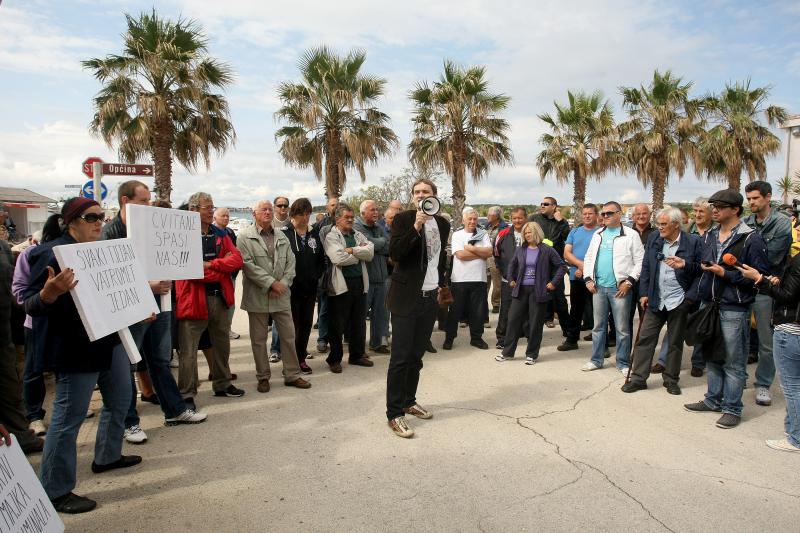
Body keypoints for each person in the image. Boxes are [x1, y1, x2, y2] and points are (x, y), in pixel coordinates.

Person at [24, 198, 141, 514]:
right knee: (67, 420)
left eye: (101, 216)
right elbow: (29, 304)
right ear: (71, 221)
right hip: (74, 349)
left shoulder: (101, 250)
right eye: (91, 217)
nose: (99, 222)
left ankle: (107, 456)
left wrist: (138, 307)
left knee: (121, 399)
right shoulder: (50, 254)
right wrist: (49, 293)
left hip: (109, 340)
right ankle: (55, 490)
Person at [103, 181, 207, 444]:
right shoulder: (111, 233)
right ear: (125, 201)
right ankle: (129, 423)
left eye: (149, 200)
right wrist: (148, 287)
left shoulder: (150, 226)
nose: (148, 205)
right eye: (143, 201)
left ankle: (174, 410)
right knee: (127, 365)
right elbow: (111, 276)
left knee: (160, 360)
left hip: (159, 305)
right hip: (132, 309)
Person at [683, 189, 770, 429]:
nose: (715, 210)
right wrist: (686, 265)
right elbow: (703, 267)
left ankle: (732, 408)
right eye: (713, 206)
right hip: (709, 304)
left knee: (733, 361)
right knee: (712, 355)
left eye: (720, 206)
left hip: (734, 308)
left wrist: (725, 273)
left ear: (735, 210)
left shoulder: (751, 238)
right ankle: (713, 400)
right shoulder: (710, 235)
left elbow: (759, 278)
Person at [385, 178, 450, 438]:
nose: (421, 195)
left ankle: (409, 401)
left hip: (429, 297)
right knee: (400, 358)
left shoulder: (443, 223)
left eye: (426, 191)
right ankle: (394, 413)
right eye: (417, 192)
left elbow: (440, 256)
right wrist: (416, 226)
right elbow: (396, 254)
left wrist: (442, 284)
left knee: (416, 357)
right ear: (413, 197)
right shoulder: (403, 220)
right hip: (405, 297)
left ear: (434, 195)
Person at [622, 207, 702, 395]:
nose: (660, 227)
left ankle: (671, 379)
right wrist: (643, 293)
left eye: (664, 224)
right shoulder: (654, 239)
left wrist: (689, 299)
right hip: (655, 299)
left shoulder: (693, 242)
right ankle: (638, 379)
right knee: (645, 339)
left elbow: (701, 272)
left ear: (676, 225)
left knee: (675, 343)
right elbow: (646, 266)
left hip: (679, 301)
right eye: (658, 224)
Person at [176, 192, 245, 409]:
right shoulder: (182, 235)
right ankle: (186, 394)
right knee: (188, 350)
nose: (211, 211)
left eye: (212, 207)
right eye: (207, 208)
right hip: (193, 300)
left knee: (221, 344)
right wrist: (221, 268)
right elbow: (188, 270)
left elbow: (237, 259)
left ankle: (222, 384)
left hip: (219, 299)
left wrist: (211, 265)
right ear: (193, 210)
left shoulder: (220, 233)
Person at [237, 200, 311, 392]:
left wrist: (283, 283)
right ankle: (263, 377)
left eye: (270, 209)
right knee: (259, 340)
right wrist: (271, 283)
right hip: (257, 296)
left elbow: (291, 263)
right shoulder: (244, 236)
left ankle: (292, 375)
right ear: (254, 214)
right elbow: (247, 265)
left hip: (281, 295)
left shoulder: (281, 235)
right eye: (264, 209)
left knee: (288, 336)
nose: (268, 212)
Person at [736, 253, 800, 451]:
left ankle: (796, 438)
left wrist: (759, 279)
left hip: (791, 331)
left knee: (792, 387)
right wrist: (779, 283)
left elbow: (789, 297)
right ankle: (792, 431)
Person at [743, 181, 793, 407]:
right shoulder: (747, 222)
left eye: (755, 198)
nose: (751, 202)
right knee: (741, 337)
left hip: (766, 289)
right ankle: (738, 377)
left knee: (766, 341)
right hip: (745, 287)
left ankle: (763, 384)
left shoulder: (781, 223)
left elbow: (771, 258)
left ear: (768, 197)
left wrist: (748, 264)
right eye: (749, 198)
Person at [581, 201, 644, 374]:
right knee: (598, 327)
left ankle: (623, 363)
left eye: (609, 213)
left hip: (620, 289)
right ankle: (596, 360)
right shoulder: (598, 234)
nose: (605, 216)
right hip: (598, 288)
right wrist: (588, 279)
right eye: (603, 213)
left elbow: (640, 261)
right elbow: (588, 258)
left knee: (622, 329)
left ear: (619, 214)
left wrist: (629, 282)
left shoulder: (631, 235)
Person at [495, 222, 566, 365]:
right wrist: (511, 279)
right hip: (520, 290)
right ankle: (507, 353)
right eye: (525, 233)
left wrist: (553, 283)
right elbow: (512, 265)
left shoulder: (547, 250)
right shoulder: (521, 250)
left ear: (537, 232)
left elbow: (562, 266)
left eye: (530, 232)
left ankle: (532, 354)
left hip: (538, 291)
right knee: (513, 320)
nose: (527, 235)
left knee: (535, 324)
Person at [1, 237, 44, 454]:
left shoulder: (2, 248)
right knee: (29, 373)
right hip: (20, 327)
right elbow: (18, 291)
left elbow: (11, 290)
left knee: (11, 389)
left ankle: (22, 436)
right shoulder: (27, 253)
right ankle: (32, 418)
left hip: (5, 335)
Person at [323, 203, 375, 372]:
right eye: (347, 217)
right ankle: (334, 359)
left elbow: (370, 253)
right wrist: (359, 255)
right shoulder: (331, 236)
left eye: (352, 217)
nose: (351, 220)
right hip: (341, 285)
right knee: (337, 324)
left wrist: (351, 250)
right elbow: (338, 259)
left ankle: (357, 355)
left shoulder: (357, 234)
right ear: (337, 219)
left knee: (358, 322)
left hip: (359, 283)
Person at [284, 198, 325, 374]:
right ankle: (290, 361)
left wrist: (316, 275)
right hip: (291, 289)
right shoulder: (284, 234)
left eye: (308, 213)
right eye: (301, 214)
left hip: (310, 288)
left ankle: (301, 358)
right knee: (292, 327)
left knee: (306, 324)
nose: (306, 217)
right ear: (293, 214)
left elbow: (321, 259)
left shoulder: (314, 233)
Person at [444, 208, 492, 350]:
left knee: (478, 311)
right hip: (460, 279)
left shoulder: (483, 234)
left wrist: (471, 249)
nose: (472, 221)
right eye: (469, 219)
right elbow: (460, 255)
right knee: (455, 311)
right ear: (463, 220)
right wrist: (480, 253)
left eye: (474, 219)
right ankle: (449, 338)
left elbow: (489, 252)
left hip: (479, 279)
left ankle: (476, 338)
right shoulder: (457, 235)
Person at [530, 197, 571, 336]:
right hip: (538, 263)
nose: (542, 206)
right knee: (540, 295)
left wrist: (561, 221)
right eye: (541, 203)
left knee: (559, 298)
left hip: (556, 265)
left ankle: (568, 330)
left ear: (554, 206)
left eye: (546, 204)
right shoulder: (535, 218)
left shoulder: (561, 221)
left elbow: (568, 237)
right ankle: (547, 319)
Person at [561, 203, 600, 351]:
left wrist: (585, 269)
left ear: (596, 215)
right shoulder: (575, 232)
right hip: (576, 277)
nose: (587, 216)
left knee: (599, 311)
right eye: (585, 214)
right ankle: (572, 340)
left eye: (590, 213)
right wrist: (581, 266)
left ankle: (600, 343)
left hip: (597, 278)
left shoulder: (601, 232)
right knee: (576, 310)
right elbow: (567, 253)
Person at [354, 200, 391, 354]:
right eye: (372, 210)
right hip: (365, 279)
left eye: (377, 209)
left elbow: (388, 247)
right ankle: (357, 348)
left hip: (381, 278)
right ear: (363, 213)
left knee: (380, 314)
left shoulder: (379, 227)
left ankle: (377, 344)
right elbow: (366, 248)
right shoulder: (357, 227)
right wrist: (378, 244)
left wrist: (375, 245)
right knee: (359, 316)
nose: (376, 212)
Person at [493, 207, 527, 349]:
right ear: (511, 219)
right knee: (506, 310)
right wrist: (505, 272)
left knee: (527, 309)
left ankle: (526, 335)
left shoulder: (531, 232)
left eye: (520, 218)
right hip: (508, 280)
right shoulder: (503, 233)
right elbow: (496, 253)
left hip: (528, 280)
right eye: (514, 218)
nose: (517, 221)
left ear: (525, 218)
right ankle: (502, 338)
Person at [313, 197, 338, 354]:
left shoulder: (346, 224)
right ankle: (322, 339)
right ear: (327, 207)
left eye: (337, 204)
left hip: (342, 272)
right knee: (324, 309)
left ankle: (340, 337)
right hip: (326, 273)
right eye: (333, 205)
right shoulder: (320, 226)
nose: (335, 207)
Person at [214, 207, 242, 340]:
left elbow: (236, 254)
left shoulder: (230, 232)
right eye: (223, 216)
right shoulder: (211, 233)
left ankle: (227, 329)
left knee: (230, 304)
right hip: (216, 276)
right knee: (217, 305)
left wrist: (230, 260)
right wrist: (225, 259)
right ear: (215, 217)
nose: (226, 218)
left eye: (227, 216)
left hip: (231, 275)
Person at [486, 206, 508, 314]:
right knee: (485, 282)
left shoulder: (504, 228)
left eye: (490, 214)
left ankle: (496, 304)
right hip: (484, 257)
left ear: (496, 216)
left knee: (497, 283)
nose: (487, 216)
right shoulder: (486, 227)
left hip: (496, 258)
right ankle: (482, 304)